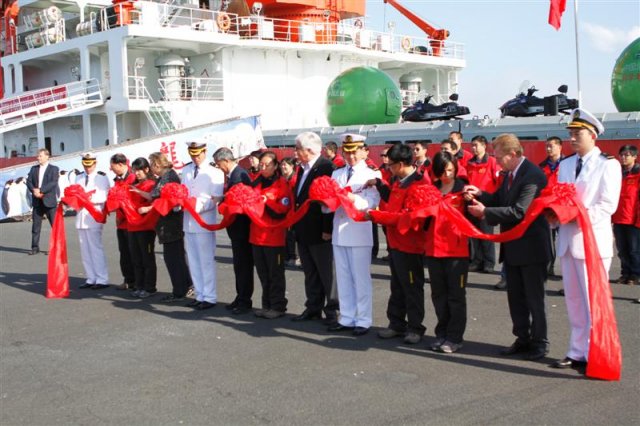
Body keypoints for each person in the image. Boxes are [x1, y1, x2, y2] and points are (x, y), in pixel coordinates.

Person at [465, 133, 552, 361]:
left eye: (499, 156)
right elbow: (501, 200)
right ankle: (522, 338)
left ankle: (540, 342)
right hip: (513, 246)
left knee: (534, 299)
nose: (496, 161)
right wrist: (481, 195)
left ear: (512, 154)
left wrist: (485, 212)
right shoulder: (510, 174)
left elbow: (519, 211)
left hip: (532, 248)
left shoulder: (532, 175)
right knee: (516, 298)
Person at [550, 109, 622, 370]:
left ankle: (595, 351)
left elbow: (607, 205)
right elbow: (560, 197)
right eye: (570, 133)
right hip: (569, 241)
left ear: (592, 135)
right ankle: (577, 350)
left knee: (593, 302)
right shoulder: (567, 164)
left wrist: (576, 216)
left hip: (592, 242)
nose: (572, 138)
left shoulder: (608, 164)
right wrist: (554, 215)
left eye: (577, 134)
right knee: (574, 301)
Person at [371, 143, 428, 344]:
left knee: (412, 287)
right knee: (397, 286)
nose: (389, 168)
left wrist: (376, 216)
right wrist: (379, 185)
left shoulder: (419, 184)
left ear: (401, 164)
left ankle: (415, 327)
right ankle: (396, 323)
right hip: (395, 243)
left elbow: (406, 217)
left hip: (410, 245)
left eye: (391, 165)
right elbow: (392, 203)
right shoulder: (398, 181)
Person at [326, 134, 380, 336]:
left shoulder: (372, 174)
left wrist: (350, 198)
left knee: (360, 279)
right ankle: (347, 317)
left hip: (359, 232)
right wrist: (325, 203)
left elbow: (371, 203)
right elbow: (328, 206)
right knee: (343, 278)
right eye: (347, 152)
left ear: (363, 151)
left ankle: (363, 319)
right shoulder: (337, 173)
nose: (350, 156)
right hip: (339, 231)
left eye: (354, 152)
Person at [290, 132, 338, 325]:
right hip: (303, 228)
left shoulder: (326, 167)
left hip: (319, 230)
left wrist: (327, 229)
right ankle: (313, 307)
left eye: (297, 149)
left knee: (327, 274)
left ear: (309, 150)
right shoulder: (303, 169)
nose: (295, 153)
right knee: (310, 272)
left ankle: (333, 311)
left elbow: (328, 202)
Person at [425, 151, 470, 353]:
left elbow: (475, 219)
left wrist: (470, 201)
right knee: (438, 295)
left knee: (456, 296)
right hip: (434, 249)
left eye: (450, 170)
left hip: (456, 251)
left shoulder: (463, 190)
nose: (447, 175)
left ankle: (455, 337)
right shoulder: (432, 190)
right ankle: (441, 333)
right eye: (443, 171)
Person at [138, 152, 192, 303]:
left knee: (173, 258)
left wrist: (148, 208)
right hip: (166, 222)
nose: (151, 168)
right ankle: (185, 285)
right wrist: (138, 191)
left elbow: (167, 201)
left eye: (151, 164)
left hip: (171, 222)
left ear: (157, 164)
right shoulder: (163, 177)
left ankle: (179, 291)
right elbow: (154, 195)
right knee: (176, 256)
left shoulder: (169, 177)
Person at [182, 141, 225, 310]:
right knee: (193, 261)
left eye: (198, 154)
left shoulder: (215, 172)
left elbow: (216, 198)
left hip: (204, 221)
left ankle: (209, 296)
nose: (195, 157)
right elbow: (183, 192)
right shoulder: (186, 170)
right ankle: (199, 294)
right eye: (192, 154)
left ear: (205, 152)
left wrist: (197, 206)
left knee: (206, 261)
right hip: (188, 221)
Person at [213, 147, 255, 314]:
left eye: (218, 163)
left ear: (226, 161)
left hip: (242, 228)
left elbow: (238, 201)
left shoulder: (239, 175)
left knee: (244, 266)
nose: (218, 167)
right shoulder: (234, 175)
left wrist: (223, 202)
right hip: (236, 229)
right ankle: (240, 297)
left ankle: (245, 300)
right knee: (239, 266)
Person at [250, 151, 292, 319]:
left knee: (275, 274)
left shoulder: (282, 185)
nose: (263, 167)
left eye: (267, 164)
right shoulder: (256, 182)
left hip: (274, 236)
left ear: (275, 166)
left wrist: (266, 202)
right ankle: (266, 305)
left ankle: (278, 306)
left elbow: (282, 210)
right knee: (263, 273)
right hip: (256, 235)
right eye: (261, 164)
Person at [75, 153, 111, 290]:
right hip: (81, 216)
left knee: (95, 248)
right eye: (85, 165)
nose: (87, 168)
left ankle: (102, 279)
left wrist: (88, 199)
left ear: (95, 163)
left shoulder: (101, 177)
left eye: (90, 165)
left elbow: (104, 195)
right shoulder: (78, 177)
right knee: (85, 249)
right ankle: (90, 278)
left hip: (94, 215)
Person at [466, 135, 500, 274]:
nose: (473, 148)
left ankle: (489, 262)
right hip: (472, 201)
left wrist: (492, 198)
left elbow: (498, 181)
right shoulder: (469, 163)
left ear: (484, 146)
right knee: (474, 234)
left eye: (476, 145)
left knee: (486, 234)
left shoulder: (492, 162)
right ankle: (477, 261)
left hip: (486, 202)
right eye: (472, 145)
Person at [126, 157, 157, 299]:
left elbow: (153, 199)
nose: (137, 173)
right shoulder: (133, 185)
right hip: (132, 226)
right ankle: (139, 286)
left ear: (146, 169)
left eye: (139, 170)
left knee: (147, 258)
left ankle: (150, 287)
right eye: (134, 170)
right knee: (136, 258)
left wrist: (137, 193)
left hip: (146, 226)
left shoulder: (151, 184)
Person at [612, 145, 640, 286]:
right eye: (621, 155)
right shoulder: (617, 174)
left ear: (634, 157)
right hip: (618, 218)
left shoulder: (638, 174)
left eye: (627, 155)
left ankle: (635, 275)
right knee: (622, 250)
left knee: (634, 250)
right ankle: (625, 273)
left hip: (633, 219)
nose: (623, 158)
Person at [109, 153, 136, 291]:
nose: (111, 169)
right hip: (121, 222)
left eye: (112, 166)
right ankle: (128, 279)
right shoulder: (118, 178)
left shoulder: (133, 177)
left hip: (131, 220)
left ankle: (137, 281)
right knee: (124, 252)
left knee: (134, 253)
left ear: (120, 164)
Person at [539, 136, 565, 278]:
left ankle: (567, 270)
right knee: (548, 241)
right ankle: (549, 268)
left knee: (565, 239)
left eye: (551, 146)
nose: (548, 149)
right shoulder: (542, 166)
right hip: (547, 208)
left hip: (563, 208)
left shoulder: (568, 164)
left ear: (560, 147)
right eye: (547, 146)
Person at [26, 148, 59, 255]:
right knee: (35, 226)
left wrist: (41, 190)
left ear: (47, 156)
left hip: (49, 201)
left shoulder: (54, 169)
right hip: (37, 201)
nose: (38, 158)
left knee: (55, 226)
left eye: (40, 156)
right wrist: (34, 190)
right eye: (38, 156)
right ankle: (35, 247)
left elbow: (53, 183)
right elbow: (29, 181)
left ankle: (56, 248)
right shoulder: (34, 169)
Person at [280, 157, 299, 267]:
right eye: (282, 165)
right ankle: (288, 256)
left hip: (293, 212)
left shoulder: (295, 179)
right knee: (286, 235)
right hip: (285, 211)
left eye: (285, 165)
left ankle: (294, 257)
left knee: (292, 236)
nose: (283, 167)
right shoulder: (283, 179)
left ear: (292, 166)